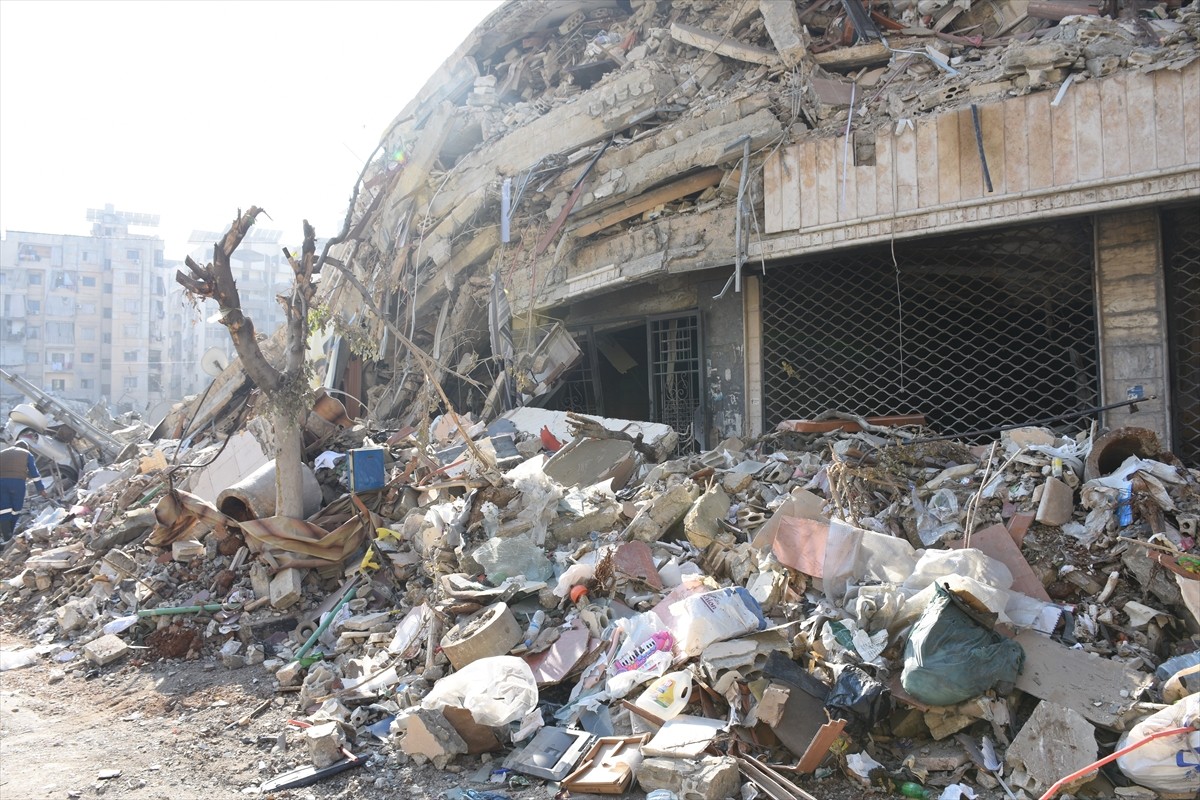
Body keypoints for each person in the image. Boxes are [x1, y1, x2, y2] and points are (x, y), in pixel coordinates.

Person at [0, 440, 47, 542]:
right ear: (26, 448)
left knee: (4, 509)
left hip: (1, 483)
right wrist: (41, 489)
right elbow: (34, 474)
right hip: (17, 483)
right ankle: (9, 535)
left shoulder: (2, 453)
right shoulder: (27, 454)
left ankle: (6, 535)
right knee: (16, 509)